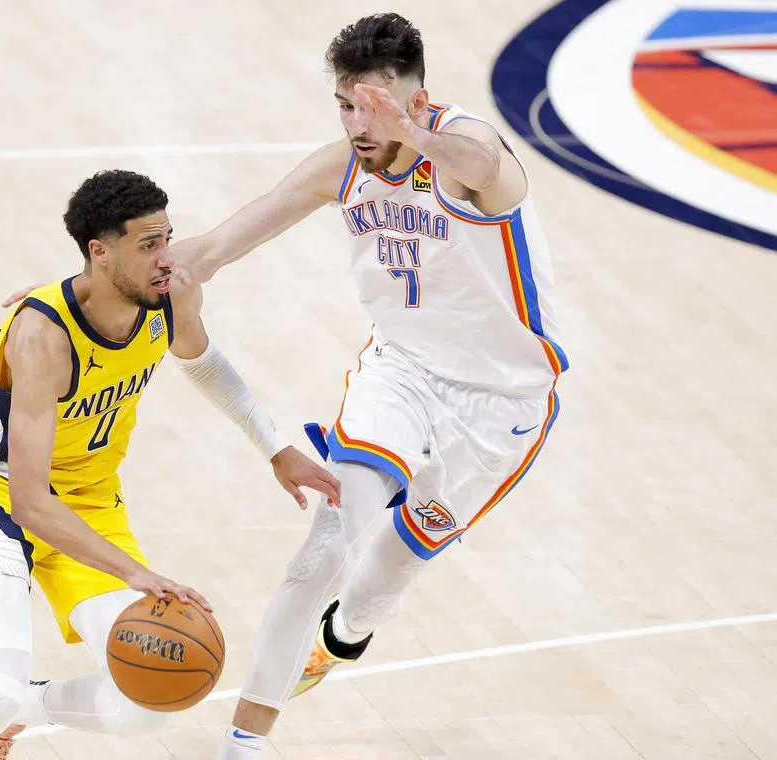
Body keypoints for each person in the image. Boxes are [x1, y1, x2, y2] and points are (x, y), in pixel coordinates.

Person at [171, 13, 570, 758]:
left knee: (382, 572)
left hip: (502, 400)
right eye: (346, 105)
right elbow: (221, 243)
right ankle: (244, 744)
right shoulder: (341, 166)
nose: (358, 122)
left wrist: (413, 133)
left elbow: (480, 167)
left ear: (416, 98)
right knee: (331, 539)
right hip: (403, 371)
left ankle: (342, 637)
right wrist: (119, 281)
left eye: (374, 105)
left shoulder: (469, 152)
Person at [0, 169, 339, 760]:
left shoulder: (169, 295)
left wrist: (276, 448)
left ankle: (19, 705)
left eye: (167, 239)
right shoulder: (43, 337)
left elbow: (204, 362)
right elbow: (30, 503)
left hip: (90, 502)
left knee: (148, 699)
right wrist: (135, 573)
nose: (166, 258)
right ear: (100, 253)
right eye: (148, 246)